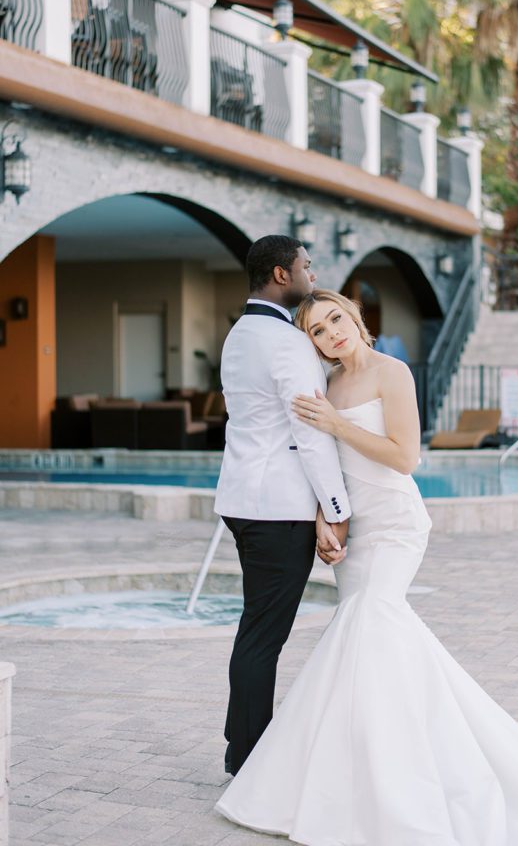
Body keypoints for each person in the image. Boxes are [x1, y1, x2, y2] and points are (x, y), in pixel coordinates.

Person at [216, 289, 518, 845]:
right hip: (356, 533)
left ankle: (393, 776)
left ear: (355, 316)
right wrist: (327, 517)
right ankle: (377, 760)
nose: (331, 335)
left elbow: (405, 456)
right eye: (317, 331)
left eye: (335, 319)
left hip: (394, 525)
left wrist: (337, 425)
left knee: (368, 625)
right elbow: (327, 463)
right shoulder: (328, 385)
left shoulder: (393, 373)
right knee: (374, 641)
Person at [213, 239, 351, 778]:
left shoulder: (238, 335)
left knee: (256, 629)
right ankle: (248, 756)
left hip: (245, 500)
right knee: (264, 636)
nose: (311, 275)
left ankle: (239, 740)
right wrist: (335, 507)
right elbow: (310, 431)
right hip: (278, 508)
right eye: (305, 266)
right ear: (280, 273)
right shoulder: (287, 342)